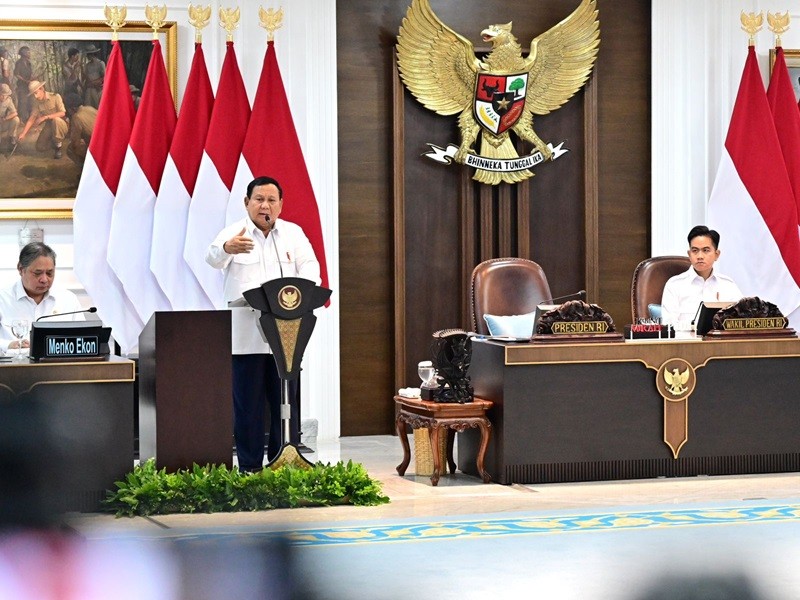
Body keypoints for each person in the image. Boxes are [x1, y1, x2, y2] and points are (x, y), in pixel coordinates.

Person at [205, 176, 320, 472]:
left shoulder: (293, 234)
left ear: (281, 205)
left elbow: (311, 269)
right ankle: (249, 468)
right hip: (247, 336)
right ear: (247, 203)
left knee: (286, 404)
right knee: (248, 407)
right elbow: (212, 258)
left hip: (287, 334)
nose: (264, 205)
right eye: (258, 199)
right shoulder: (235, 233)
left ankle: (283, 464)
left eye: (271, 200)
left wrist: (297, 294)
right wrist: (227, 248)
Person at [0, 242, 83, 354]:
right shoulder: (3, 299)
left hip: (58, 368)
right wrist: (8, 345)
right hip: (13, 368)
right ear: (20, 269)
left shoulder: (68, 300)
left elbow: (83, 339)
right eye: (37, 273)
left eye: (49, 273)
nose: (44, 279)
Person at [660, 225, 743, 329]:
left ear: (717, 254)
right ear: (689, 254)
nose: (700, 256)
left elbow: (740, 321)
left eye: (706, 250)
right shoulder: (674, 285)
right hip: (685, 343)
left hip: (720, 343)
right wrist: (695, 327)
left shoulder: (728, 285)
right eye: (695, 250)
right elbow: (668, 325)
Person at [17, 80, 68, 159]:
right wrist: (23, 133)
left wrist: (45, 117)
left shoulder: (55, 96)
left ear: (42, 89)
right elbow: (32, 118)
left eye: (36, 93)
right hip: (49, 125)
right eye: (33, 94)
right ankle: (54, 142)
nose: (35, 96)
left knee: (56, 120)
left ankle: (58, 148)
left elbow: (62, 113)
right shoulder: (37, 102)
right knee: (40, 147)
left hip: (61, 124)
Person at [63, 92, 96, 164]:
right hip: (109, 143)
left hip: (98, 148)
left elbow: (75, 142)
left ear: (72, 108)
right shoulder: (90, 108)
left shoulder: (76, 117)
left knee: (70, 149)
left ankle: (85, 169)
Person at [13, 46, 33, 124]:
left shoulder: (29, 63)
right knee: (22, 102)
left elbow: (31, 74)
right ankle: (21, 120)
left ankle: (28, 119)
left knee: (29, 102)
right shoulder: (19, 62)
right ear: (24, 53)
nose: (29, 54)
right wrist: (25, 81)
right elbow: (16, 74)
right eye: (28, 52)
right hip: (21, 86)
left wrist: (31, 78)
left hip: (28, 86)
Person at [82, 44, 105, 109]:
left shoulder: (101, 63)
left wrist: (95, 82)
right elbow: (85, 78)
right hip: (89, 89)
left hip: (98, 89)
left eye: (88, 54)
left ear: (92, 54)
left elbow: (104, 77)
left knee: (98, 106)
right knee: (88, 107)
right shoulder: (87, 66)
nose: (87, 56)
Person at [0, 83, 19, 152]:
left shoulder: (8, 100)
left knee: (16, 120)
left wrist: (5, 118)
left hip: (2, 122)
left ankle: (11, 139)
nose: (5, 97)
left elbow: (15, 113)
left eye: (6, 95)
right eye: (3, 95)